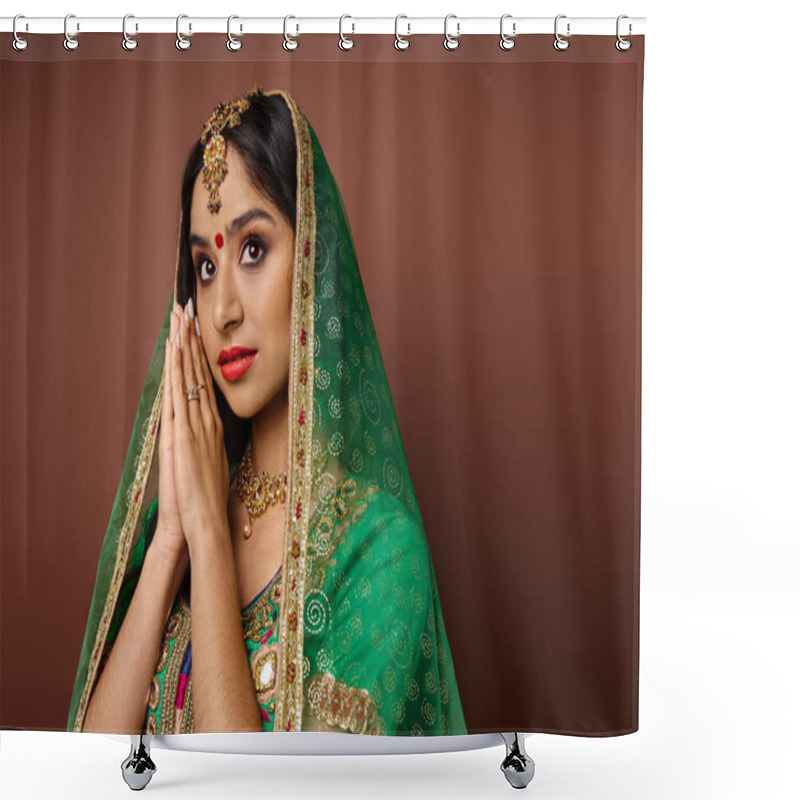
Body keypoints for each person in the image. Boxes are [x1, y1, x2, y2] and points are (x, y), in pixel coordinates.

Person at [67, 86, 467, 736]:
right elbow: (83, 776)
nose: (221, 309)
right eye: (204, 265)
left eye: (252, 250)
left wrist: (211, 542)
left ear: (313, 260)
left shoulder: (379, 554)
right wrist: (174, 539)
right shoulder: (178, 520)